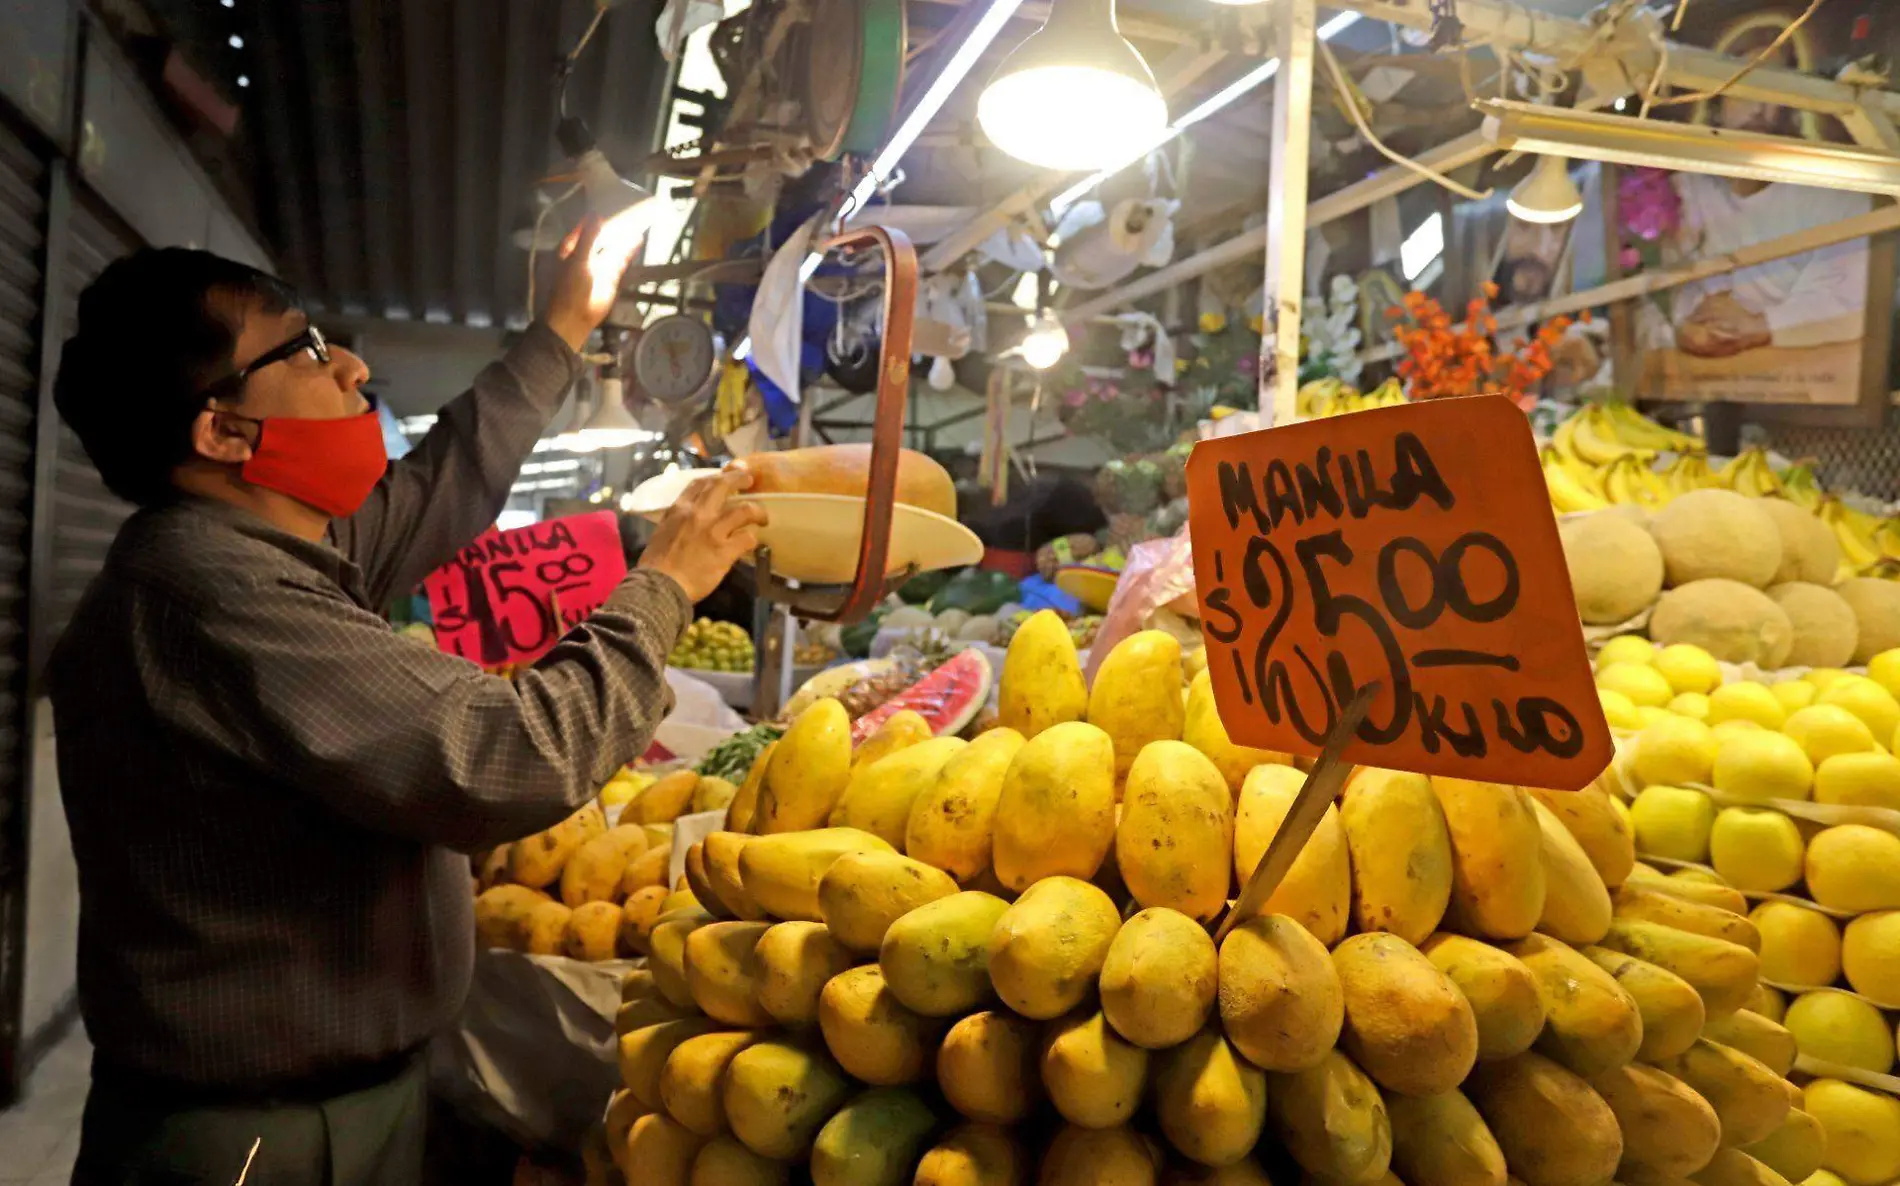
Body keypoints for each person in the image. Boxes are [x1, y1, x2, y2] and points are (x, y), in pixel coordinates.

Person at [47, 216, 767, 1184]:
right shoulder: (211, 592)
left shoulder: (260, 549)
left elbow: (445, 483)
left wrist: (560, 329)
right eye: (302, 349)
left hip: (343, 1101)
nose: (346, 367)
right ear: (222, 428)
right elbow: (513, 756)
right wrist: (665, 583)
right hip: (261, 1138)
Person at [1641, 29, 1872, 361]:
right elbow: (1657, 290)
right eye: (1743, 87)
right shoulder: (1682, 191)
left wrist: (1761, 324)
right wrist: (1684, 325)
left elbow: (1844, 297)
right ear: (1716, 102)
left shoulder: (1836, 195)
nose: (1760, 107)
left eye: (1774, 90)